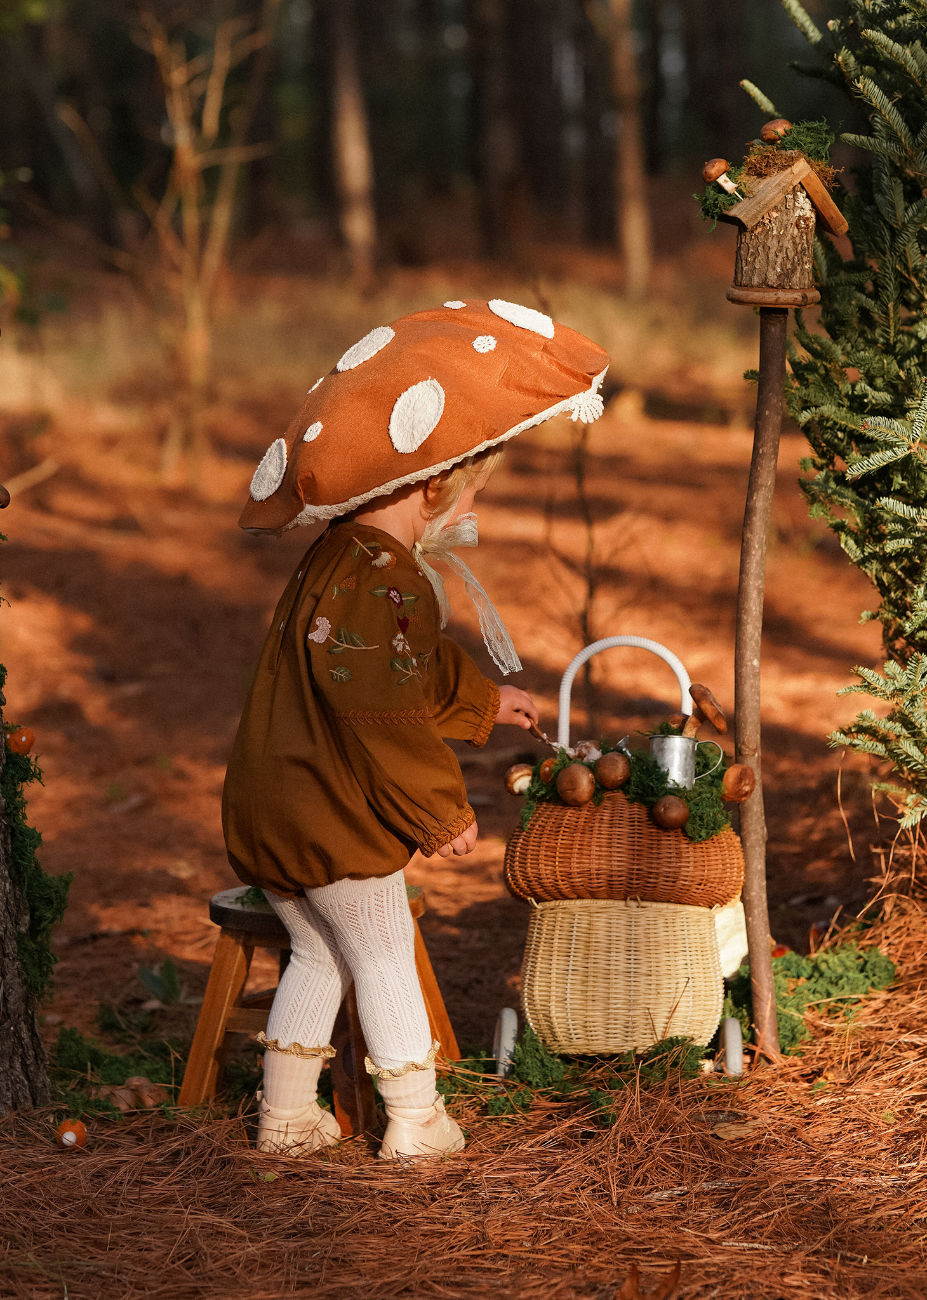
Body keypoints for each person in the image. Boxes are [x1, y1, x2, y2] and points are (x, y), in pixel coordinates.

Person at [222, 298, 608, 1159]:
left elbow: (395, 667)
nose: (470, 508)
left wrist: (481, 704)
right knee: (384, 950)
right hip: (331, 813)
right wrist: (438, 809)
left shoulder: (339, 558)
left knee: (319, 954)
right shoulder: (388, 580)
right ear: (435, 487)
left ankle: (286, 1117)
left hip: (273, 801)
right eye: (471, 490)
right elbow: (383, 714)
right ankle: (415, 1119)